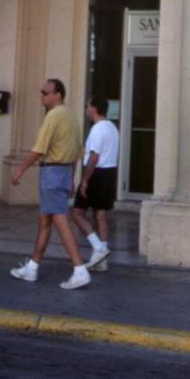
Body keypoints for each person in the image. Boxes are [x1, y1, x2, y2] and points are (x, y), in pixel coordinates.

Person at [9, 78, 90, 291]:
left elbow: (39, 149)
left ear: (58, 95)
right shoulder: (71, 116)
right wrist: (72, 177)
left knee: (61, 222)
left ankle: (79, 269)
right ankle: (32, 267)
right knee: (44, 221)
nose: (42, 96)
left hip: (52, 172)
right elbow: (76, 151)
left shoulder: (53, 117)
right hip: (62, 173)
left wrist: (20, 170)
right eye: (41, 92)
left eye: (46, 93)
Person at [69, 97, 119, 271]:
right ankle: (102, 260)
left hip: (96, 174)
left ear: (94, 109)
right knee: (101, 216)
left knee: (77, 213)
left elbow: (94, 156)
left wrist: (84, 180)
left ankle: (98, 247)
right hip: (110, 173)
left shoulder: (97, 129)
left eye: (88, 106)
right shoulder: (112, 127)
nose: (86, 109)